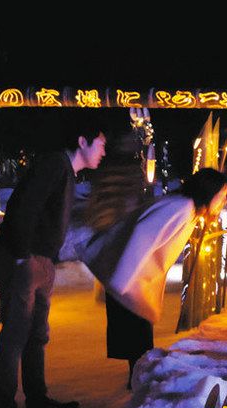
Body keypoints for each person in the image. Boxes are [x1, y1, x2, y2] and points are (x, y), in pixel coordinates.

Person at [0, 120, 106, 408]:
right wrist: (21, 255)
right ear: (82, 140)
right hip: (24, 258)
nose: (103, 151)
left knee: (36, 333)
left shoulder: (65, 172)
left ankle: (37, 401)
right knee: (16, 332)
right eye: (100, 144)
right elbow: (23, 206)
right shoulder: (55, 165)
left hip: (40, 259)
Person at [83, 168, 227, 371]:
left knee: (140, 353)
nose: (224, 201)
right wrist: (123, 281)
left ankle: (138, 386)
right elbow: (141, 236)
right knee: (140, 353)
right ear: (208, 192)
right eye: (222, 195)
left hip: (133, 286)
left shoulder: (186, 209)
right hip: (129, 284)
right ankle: (140, 393)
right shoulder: (180, 208)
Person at [85, 131, 153, 388]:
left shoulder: (104, 172)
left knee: (125, 310)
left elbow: (95, 208)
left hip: (112, 244)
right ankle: (138, 367)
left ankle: (135, 366)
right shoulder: (132, 172)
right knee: (135, 309)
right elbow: (136, 206)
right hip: (126, 244)